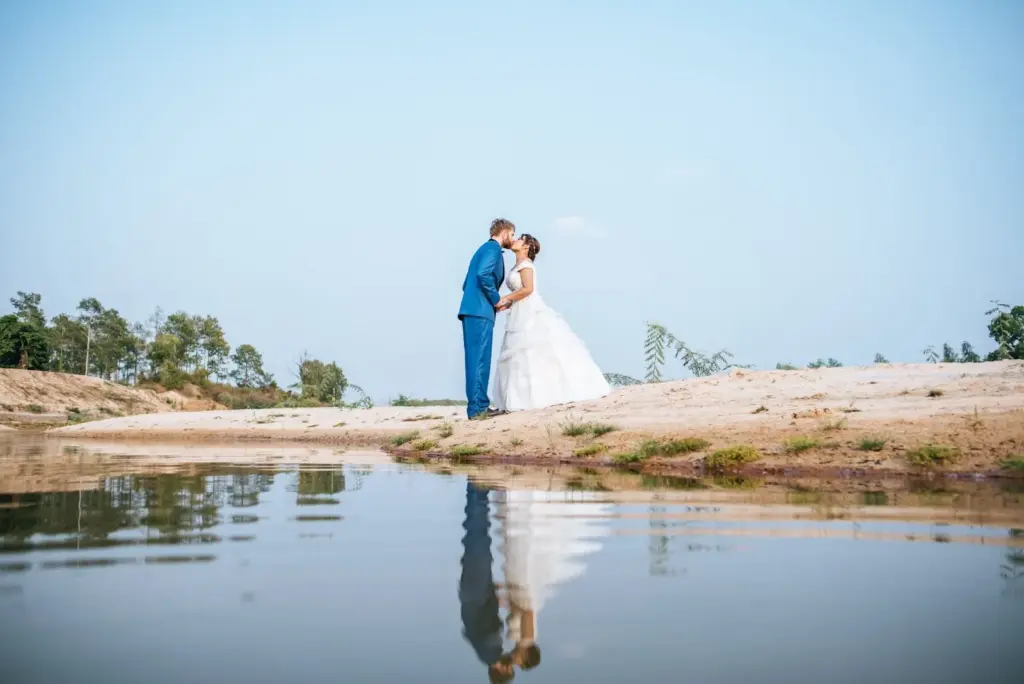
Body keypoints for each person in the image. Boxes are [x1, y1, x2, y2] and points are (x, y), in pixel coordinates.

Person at [492, 234, 610, 411]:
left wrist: (505, 297)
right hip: (519, 310)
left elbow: (528, 289)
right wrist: (508, 303)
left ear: (525, 247)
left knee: (533, 349)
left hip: (530, 311)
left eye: (520, 239)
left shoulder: (526, 265)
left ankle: (541, 394)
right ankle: (522, 398)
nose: (515, 239)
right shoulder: (517, 265)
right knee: (519, 354)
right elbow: (521, 292)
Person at [458, 218, 516, 420]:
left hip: (473, 310)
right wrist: (495, 300)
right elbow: (483, 275)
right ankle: (478, 409)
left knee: (475, 360)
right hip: (480, 312)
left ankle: (477, 406)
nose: (513, 239)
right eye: (512, 234)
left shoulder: (481, 250)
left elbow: (466, 283)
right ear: (505, 232)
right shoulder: (492, 249)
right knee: (479, 360)